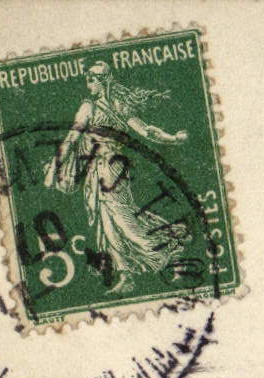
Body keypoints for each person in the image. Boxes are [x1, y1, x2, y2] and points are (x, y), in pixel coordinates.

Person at [43, 62, 190, 295]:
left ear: (104, 81)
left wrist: (172, 139)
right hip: (97, 169)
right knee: (107, 222)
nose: (88, 83)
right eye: (87, 78)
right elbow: (72, 138)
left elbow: (146, 131)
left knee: (122, 217)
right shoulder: (89, 106)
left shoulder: (107, 106)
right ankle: (126, 274)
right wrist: (56, 163)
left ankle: (165, 246)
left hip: (113, 168)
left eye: (92, 79)